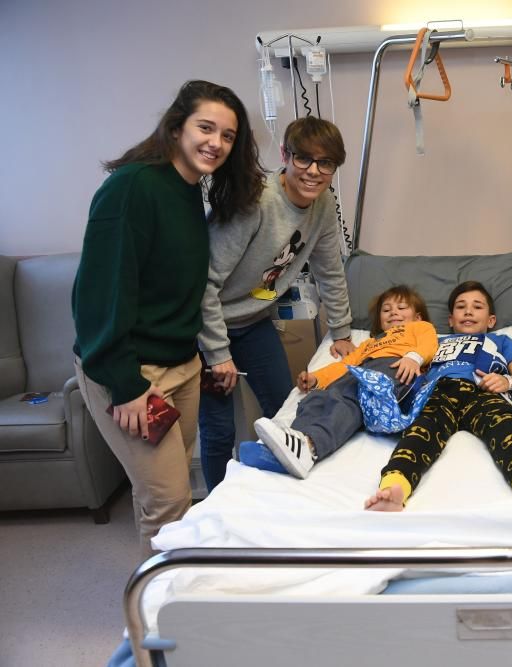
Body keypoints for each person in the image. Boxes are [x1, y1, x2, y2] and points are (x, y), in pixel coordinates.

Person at [72, 80, 265, 558]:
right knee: (169, 500)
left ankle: (173, 596)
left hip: (180, 368)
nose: (216, 143)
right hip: (135, 374)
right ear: (177, 126)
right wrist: (125, 383)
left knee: (166, 492)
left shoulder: (188, 192)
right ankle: (159, 620)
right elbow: (99, 295)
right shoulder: (133, 188)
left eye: (227, 135)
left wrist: (199, 361)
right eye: (206, 127)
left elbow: (183, 290)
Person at [197, 117, 355, 492]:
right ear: (285, 155)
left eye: (326, 163)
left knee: (286, 411)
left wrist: (342, 331)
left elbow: (330, 270)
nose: (314, 172)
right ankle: (223, 513)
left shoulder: (323, 205)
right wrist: (217, 352)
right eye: (303, 159)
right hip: (206, 325)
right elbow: (205, 281)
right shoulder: (255, 203)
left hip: (253, 322)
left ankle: (281, 497)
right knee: (219, 429)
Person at [365, 281, 512, 511]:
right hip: (438, 392)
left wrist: (507, 381)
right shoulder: (434, 342)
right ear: (451, 320)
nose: (468, 311)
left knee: (507, 428)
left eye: (477, 306)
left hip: (483, 391)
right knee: (419, 434)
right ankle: (393, 491)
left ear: (491, 320)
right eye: (461, 307)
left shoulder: (501, 341)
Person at [251, 286, 437, 479]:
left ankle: (311, 445)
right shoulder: (370, 344)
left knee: (347, 400)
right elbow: (346, 365)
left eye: (402, 308)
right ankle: (290, 443)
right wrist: (317, 378)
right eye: (387, 310)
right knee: (316, 399)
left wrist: (414, 357)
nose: (394, 313)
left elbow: (430, 343)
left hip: (394, 368)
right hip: (362, 370)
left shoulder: (420, 327)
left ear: (417, 317)